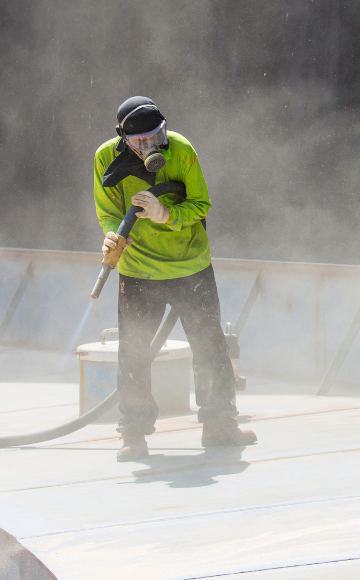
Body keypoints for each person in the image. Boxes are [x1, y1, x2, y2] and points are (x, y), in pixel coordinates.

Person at [93, 95, 256, 461]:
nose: (151, 147)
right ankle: (133, 432)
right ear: (123, 138)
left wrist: (166, 213)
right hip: (137, 269)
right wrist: (111, 233)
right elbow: (107, 212)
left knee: (210, 346)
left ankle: (219, 424)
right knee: (133, 351)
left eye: (156, 137)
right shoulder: (106, 158)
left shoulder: (181, 150)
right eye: (139, 142)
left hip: (189, 265)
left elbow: (201, 204)